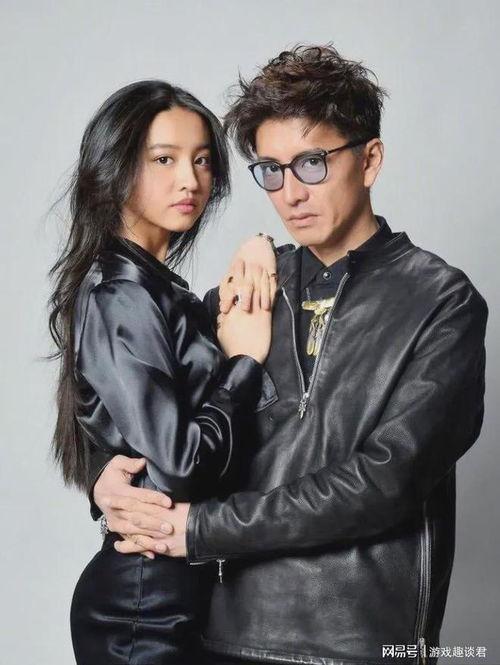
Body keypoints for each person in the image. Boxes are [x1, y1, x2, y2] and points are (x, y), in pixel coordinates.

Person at [89, 46, 488, 665]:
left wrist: (199, 529)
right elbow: (168, 423)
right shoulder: (245, 290)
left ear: (370, 159)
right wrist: (106, 481)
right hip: (220, 634)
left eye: (311, 163)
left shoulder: (442, 301)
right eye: (271, 170)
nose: (291, 193)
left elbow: (385, 481)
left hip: (360, 643)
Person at [48, 79, 279, 665]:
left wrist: (259, 244)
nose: (191, 180)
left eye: (202, 160)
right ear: (116, 168)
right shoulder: (121, 292)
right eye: (164, 159)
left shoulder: (156, 288)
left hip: (187, 591)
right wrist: (243, 365)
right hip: (143, 608)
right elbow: (179, 464)